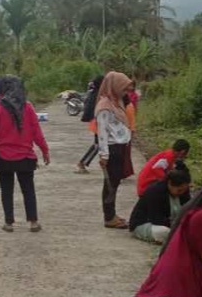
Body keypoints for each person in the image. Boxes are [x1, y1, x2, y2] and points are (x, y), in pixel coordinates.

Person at [0, 75, 50, 232]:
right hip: (26, 157)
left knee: (6, 191)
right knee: (28, 190)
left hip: (4, 158)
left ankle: (9, 223)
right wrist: (44, 150)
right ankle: (33, 222)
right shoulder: (28, 107)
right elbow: (36, 132)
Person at [96, 71, 133, 229]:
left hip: (120, 147)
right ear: (115, 86)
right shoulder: (105, 106)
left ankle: (112, 214)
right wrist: (104, 154)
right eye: (123, 89)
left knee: (115, 183)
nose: (125, 93)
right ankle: (109, 217)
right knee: (110, 184)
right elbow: (102, 132)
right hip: (112, 149)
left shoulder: (116, 103)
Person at [129, 170, 191, 244]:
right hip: (147, 224)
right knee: (165, 232)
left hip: (173, 224)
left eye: (184, 190)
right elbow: (156, 219)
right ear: (170, 184)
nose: (182, 193)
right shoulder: (155, 192)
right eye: (179, 190)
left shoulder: (184, 193)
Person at [76, 75, 104, 174]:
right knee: (98, 145)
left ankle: (83, 163)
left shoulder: (94, 93)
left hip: (97, 122)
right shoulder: (98, 94)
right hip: (98, 122)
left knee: (99, 144)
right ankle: (82, 163)